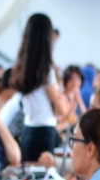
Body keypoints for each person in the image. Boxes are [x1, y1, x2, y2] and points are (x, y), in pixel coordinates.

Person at [11, 13, 70, 163]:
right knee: (45, 176)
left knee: (30, 176)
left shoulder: (22, 67)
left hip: (28, 131)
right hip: (44, 133)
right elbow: (61, 110)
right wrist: (61, 98)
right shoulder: (45, 70)